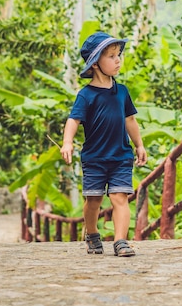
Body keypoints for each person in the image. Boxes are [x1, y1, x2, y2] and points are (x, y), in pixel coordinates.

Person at [60, 32, 147, 257]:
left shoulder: (122, 92)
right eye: (111, 56)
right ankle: (91, 233)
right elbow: (73, 120)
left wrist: (139, 145)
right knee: (94, 200)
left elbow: (130, 120)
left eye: (119, 55)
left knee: (120, 197)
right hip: (95, 158)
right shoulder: (86, 95)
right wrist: (67, 142)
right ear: (96, 63)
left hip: (120, 156)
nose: (118, 59)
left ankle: (120, 241)